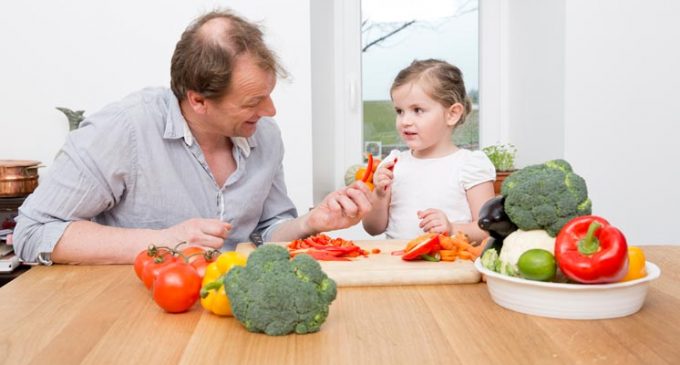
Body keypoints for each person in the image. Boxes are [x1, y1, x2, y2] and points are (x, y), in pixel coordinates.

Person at [12, 9, 372, 265]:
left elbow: (266, 231)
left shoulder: (265, 136)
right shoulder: (124, 130)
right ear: (198, 100)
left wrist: (311, 222)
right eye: (253, 101)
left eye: (269, 94)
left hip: (227, 307)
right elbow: (33, 232)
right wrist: (165, 240)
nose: (271, 111)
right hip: (132, 313)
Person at [362, 59, 495, 243]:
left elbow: (487, 229)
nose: (405, 121)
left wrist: (452, 228)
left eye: (417, 110)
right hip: (396, 265)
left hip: (450, 266)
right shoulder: (392, 164)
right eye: (400, 111)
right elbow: (372, 228)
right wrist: (379, 195)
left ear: (452, 114)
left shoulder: (470, 165)